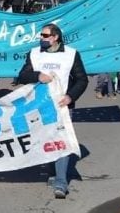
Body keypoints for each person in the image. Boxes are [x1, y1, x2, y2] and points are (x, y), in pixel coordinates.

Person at [16, 23, 88, 199]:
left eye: (45, 35)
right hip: (39, 106)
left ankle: (61, 182)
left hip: (62, 105)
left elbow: (82, 79)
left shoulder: (71, 54)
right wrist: (37, 76)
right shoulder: (34, 54)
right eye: (41, 35)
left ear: (55, 37)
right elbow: (22, 76)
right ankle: (52, 172)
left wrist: (71, 96)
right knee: (45, 139)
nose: (41, 38)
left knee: (61, 141)